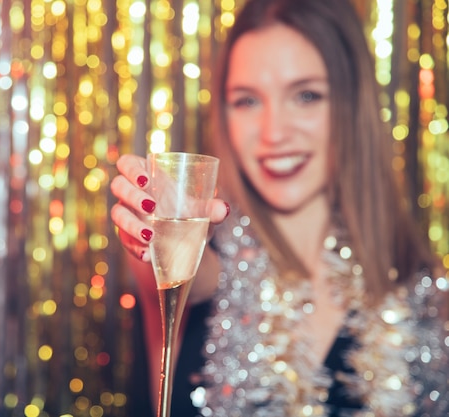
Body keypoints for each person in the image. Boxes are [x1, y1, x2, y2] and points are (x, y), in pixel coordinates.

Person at [110, 0, 449, 416]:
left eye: (306, 95)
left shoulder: (423, 290)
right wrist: (154, 230)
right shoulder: (208, 262)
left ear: (352, 106)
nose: (274, 133)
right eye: (247, 101)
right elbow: (182, 274)